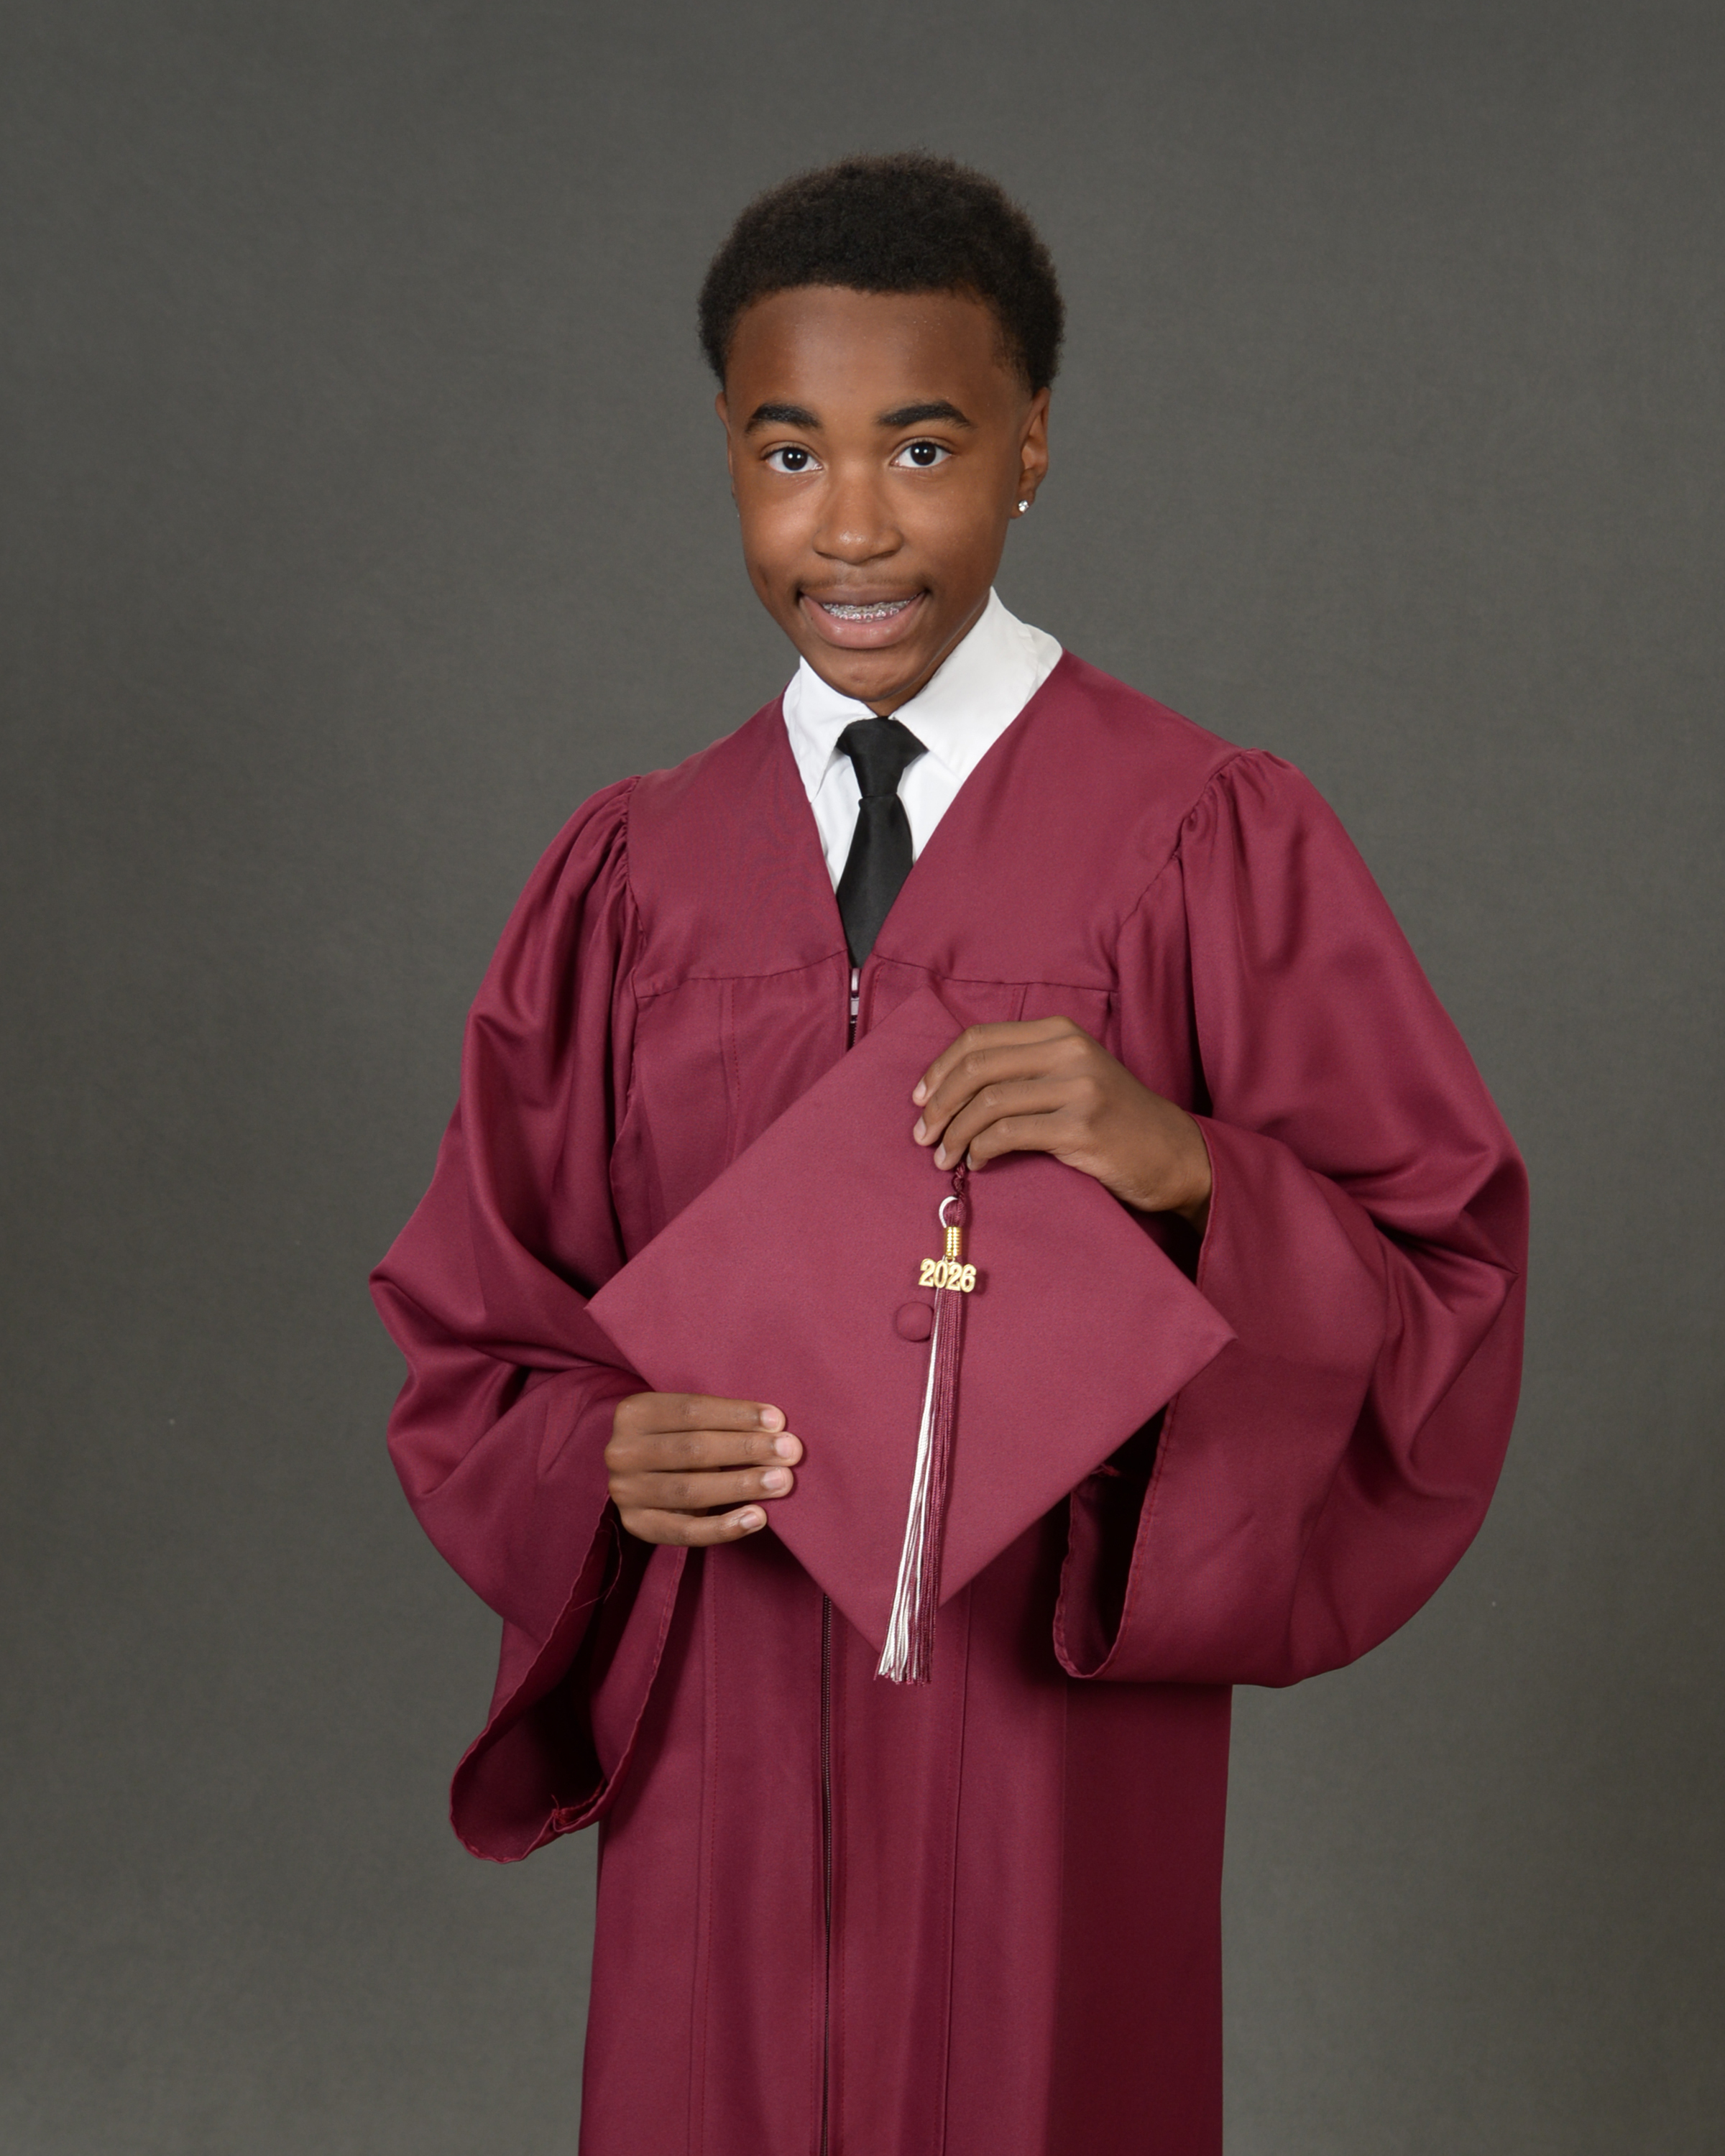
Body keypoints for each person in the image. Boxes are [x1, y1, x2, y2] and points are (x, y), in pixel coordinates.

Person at [372, 153, 1527, 2156]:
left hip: (1046, 1771)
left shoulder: (1205, 836)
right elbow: (480, 1327)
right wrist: (596, 1460)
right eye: (789, 453)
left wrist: (1191, 1169)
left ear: (1032, 445)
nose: (853, 524)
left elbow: (1442, 1277)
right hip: (722, 1766)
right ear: (728, 456)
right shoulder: (633, 876)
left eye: (922, 447)